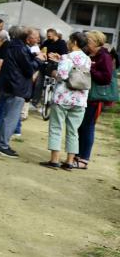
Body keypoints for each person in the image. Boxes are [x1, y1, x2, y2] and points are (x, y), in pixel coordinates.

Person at [0, 26, 46, 158]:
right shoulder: (20, 48)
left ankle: (1, 142)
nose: (38, 39)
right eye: (35, 36)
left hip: (9, 84)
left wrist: (34, 57)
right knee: (11, 117)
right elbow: (28, 69)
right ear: (27, 38)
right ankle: (2, 145)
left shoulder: (12, 45)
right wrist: (39, 59)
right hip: (17, 86)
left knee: (7, 115)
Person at [40, 32, 91, 169]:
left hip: (63, 97)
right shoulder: (87, 59)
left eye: (69, 40)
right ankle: (69, 161)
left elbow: (62, 76)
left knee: (56, 127)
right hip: (80, 99)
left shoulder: (67, 57)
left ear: (74, 42)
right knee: (73, 131)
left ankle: (54, 160)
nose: (68, 42)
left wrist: (52, 72)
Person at [75, 30, 115, 169]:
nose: (86, 43)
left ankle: (84, 159)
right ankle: (78, 155)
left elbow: (106, 78)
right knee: (80, 126)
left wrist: (90, 68)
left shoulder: (104, 56)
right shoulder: (89, 54)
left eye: (88, 41)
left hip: (95, 98)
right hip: (85, 96)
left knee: (88, 127)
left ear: (95, 41)